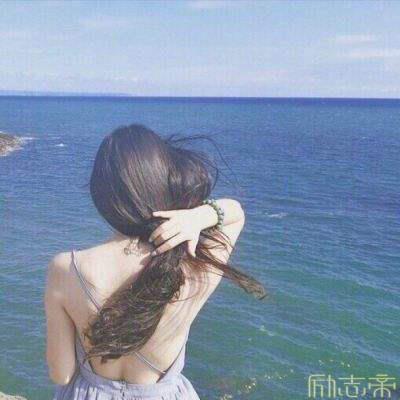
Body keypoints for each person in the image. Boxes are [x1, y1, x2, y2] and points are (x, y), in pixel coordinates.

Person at [44, 124, 266, 400]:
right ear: (163, 183)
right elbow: (235, 213)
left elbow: (61, 374)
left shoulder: (66, 268)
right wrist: (198, 217)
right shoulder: (194, 264)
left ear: (101, 194)